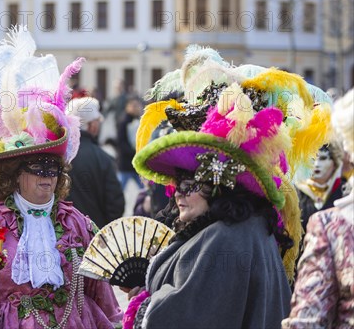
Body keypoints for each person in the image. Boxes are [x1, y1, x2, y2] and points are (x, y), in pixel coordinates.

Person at [119, 45, 334, 328]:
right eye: (177, 184)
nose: (178, 194)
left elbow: (184, 318)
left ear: (219, 183)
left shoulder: (225, 240)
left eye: (190, 184)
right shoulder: (247, 228)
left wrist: (146, 306)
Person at [0, 29, 122, 328]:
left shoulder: (77, 223)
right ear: (15, 176)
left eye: (53, 169)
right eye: (38, 169)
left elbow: (101, 294)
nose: (48, 176)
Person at [283, 88, 354, 328]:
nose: (317, 166)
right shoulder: (301, 197)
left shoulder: (339, 206)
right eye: (314, 158)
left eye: (323, 159)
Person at [66, 96, 124, 228]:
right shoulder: (103, 158)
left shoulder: (59, 155)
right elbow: (115, 203)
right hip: (95, 235)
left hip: (63, 235)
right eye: (98, 120)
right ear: (91, 125)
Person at [295, 142, 344, 230]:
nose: (316, 164)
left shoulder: (345, 190)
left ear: (335, 163)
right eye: (313, 159)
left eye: (323, 158)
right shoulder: (296, 193)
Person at [117, 97, 145, 192]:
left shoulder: (141, 120)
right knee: (119, 190)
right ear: (127, 107)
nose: (136, 108)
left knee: (145, 189)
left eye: (137, 105)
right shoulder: (124, 121)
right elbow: (121, 143)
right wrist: (135, 152)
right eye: (133, 106)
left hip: (136, 165)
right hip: (126, 164)